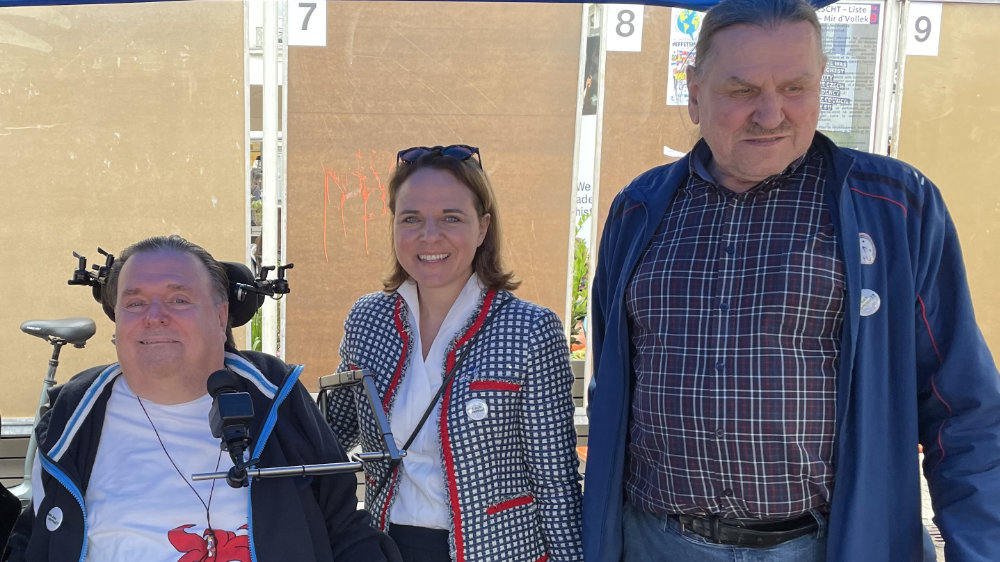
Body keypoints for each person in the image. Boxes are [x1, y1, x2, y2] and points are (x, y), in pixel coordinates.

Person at [583, 0, 1000, 560]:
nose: (771, 113)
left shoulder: (894, 207)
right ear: (694, 91)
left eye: (795, 88)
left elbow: (963, 408)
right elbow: (610, 382)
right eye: (742, 91)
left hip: (829, 544)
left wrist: (980, 547)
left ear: (821, 84)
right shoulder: (639, 210)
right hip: (654, 540)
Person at [3, 235, 400, 562]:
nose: (154, 315)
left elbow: (345, 530)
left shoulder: (276, 400)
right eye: (135, 302)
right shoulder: (73, 418)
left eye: (178, 299)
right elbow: (31, 541)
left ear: (220, 315)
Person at [324, 145, 584, 562]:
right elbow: (329, 436)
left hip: (498, 551)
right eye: (411, 219)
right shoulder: (367, 320)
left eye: (451, 218)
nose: (430, 236)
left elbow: (555, 481)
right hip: (385, 547)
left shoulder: (530, 330)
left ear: (482, 228)